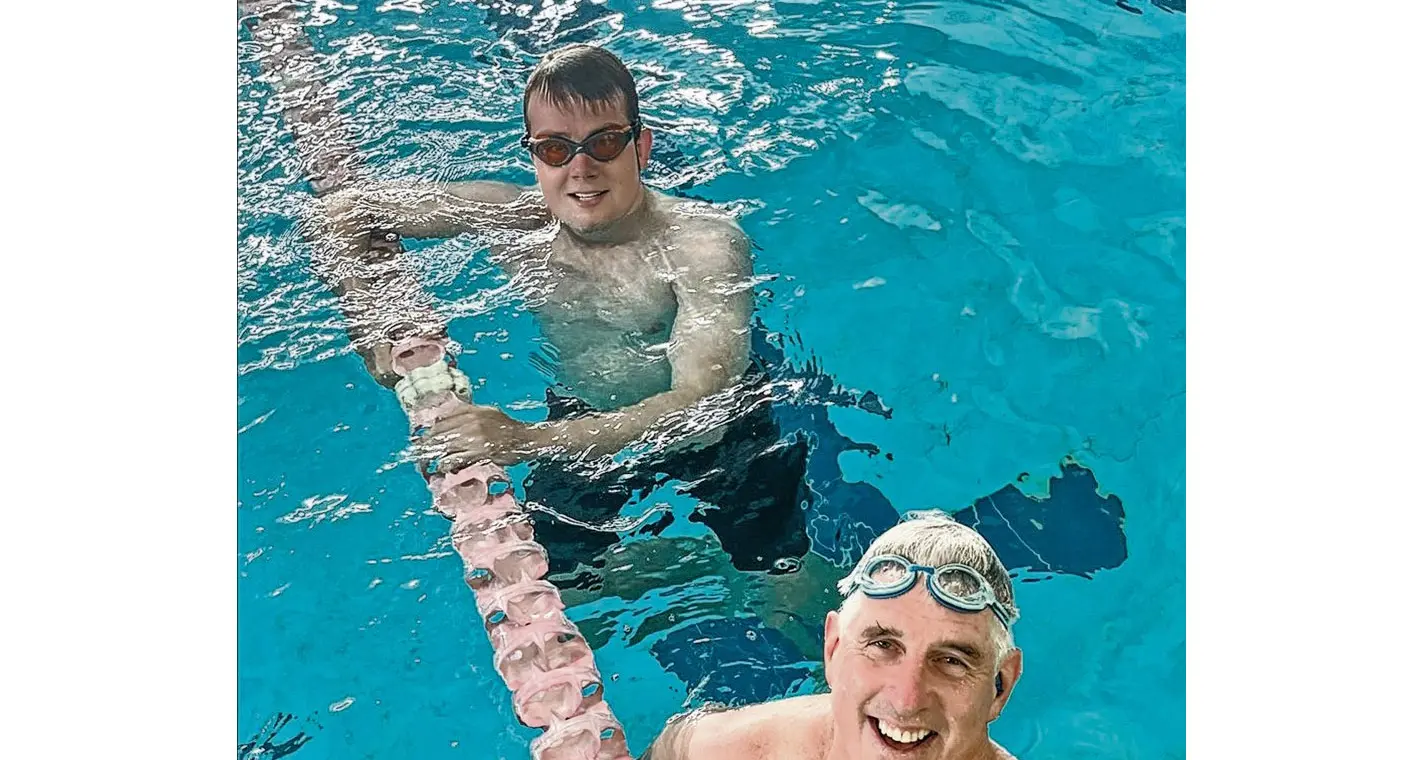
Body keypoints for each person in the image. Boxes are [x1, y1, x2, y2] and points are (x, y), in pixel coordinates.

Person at [317, 42, 887, 584]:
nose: (581, 168)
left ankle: (743, 567)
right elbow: (343, 214)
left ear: (641, 147)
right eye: (556, 149)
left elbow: (704, 407)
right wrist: (373, 326)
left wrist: (524, 441)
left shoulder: (702, 245)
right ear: (535, 156)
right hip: (581, 417)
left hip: (724, 442)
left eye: (605, 142)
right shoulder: (517, 222)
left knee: (781, 585)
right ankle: (689, 564)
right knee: (555, 587)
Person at [640, 511, 1024, 760]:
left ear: (1001, 687)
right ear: (834, 650)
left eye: (951, 661)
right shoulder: (732, 750)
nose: (907, 701)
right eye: (882, 646)